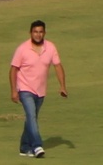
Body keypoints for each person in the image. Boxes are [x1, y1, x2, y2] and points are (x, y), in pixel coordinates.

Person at [10, 19, 66, 157]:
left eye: (41, 32)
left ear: (44, 33)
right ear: (30, 33)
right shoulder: (22, 49)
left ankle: (24, 147)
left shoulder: (50, 47)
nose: (38, 34)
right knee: (31, 116)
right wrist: (13, 90)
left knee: (31, 118)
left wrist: (62, 86)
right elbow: (13, 70)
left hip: (40, 91)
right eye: (35, 32)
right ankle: (37, 146)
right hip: (24, 89)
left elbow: (57, 66)